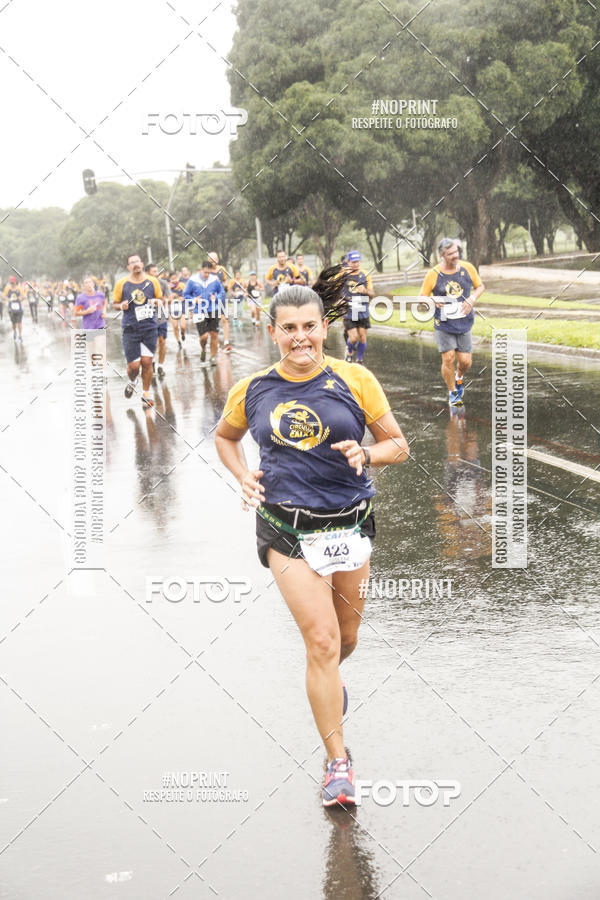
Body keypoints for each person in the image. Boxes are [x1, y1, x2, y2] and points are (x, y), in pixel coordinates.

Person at [214, 274, 409, 807]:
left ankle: (328, 686)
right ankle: (338, 764)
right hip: (287, 530)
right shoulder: (252, 389)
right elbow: (225, 438)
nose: (299, 337)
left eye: (308, 326)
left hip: (350, 525)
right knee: (321, 642)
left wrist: (366, 453)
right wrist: (242, 475)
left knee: (346, 638)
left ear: (325, 327)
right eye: (288, 328)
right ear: (273, 331)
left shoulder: (355, 379)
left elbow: (398, 444)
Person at [418, 238, 485, 407]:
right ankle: (453, 392)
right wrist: (432, 300)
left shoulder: (467, 268)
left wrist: (472, 299)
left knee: (465, 362)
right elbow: (421, 297)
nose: (455, 255)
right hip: (444, 323)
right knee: (448, 358)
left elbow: (480, 286)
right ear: (442, 255)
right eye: (450, 254)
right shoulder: (433, 273)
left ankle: (459, 377)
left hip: (464, 321)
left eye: (456, 252)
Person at [113, 254, 162, 407]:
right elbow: (114, 303)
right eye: (132, 263)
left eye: (137, 262)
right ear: (128, 267)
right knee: (134, 366)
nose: (135, 264)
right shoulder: (122, 284)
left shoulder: (152, 281)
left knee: (147, 362)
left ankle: (146, 394)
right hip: (130, 328)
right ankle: (133, 381)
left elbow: (161, 299)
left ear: (142, 264)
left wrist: (157, 302)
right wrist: (121, 306)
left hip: (149, 327)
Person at [183, 260, 226, 365]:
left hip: (213, 309)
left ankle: (212, 357)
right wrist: (194, 300)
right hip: (199, 311)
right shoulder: (193, 280)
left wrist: (216, 298)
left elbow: (222, 292)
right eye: (205, 272)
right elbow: (185, 294)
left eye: (209, 272)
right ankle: (203, 349)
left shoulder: (214, 279)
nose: (207, 274)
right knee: (204, 337)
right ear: (201, 270)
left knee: (214, 334)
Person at [343, 251, 374, 365]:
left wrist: (365, 291)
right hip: (349, 310)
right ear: (348, 262)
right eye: (353, 262)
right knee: (353, 338)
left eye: (357, 262)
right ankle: (349, 352)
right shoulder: (342, 276)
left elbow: (372, 293)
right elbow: (335, 292)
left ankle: (359, 360)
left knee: (362, 337)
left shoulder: (365, 274)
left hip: (362, 309)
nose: (356, 264)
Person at [146, 264, 171, 378]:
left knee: (162, 341)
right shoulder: (143, 285)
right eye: (153, 272)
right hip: (147, 316)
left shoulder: (163, 283)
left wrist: (164, 301)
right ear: (147, 273)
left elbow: (169, 298)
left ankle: (160, 366)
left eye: (157, 271)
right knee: (151, 342)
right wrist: (151, 302)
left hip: (161, 315)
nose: (156, 273)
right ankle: (152, 362)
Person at [208, 251, 232, 353]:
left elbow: (225, 281)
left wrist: (226, 285)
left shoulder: (222, 269)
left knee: (224, 319)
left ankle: (226, 342)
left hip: (221, 298)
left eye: (214, 259)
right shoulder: (207, 271)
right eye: (210, 260)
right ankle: (216, 342)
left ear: (217, 260)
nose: (212, 261)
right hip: (210, 299)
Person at [168, 271, 187, 347]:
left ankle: (183, 333)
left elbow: (187, 294)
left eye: (175, 278)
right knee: (175, 326)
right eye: (172, 279)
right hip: (172, 308)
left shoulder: (182, 285)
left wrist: (183, 298)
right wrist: (170, 299)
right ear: (169, 279)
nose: (174, 280)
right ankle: (178, 341)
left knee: (183, 326)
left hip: (182, 307)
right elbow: (165, 298)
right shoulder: (168, 287)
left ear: (178, 278)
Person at [3, 276, 24, 340]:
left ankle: (20, 335)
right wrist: (8, 299)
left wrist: (21, 298)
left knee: (19, 322)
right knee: (13, 323)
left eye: (13, 282)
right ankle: (15, 331)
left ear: (15, 282)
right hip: (11, 308)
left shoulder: (19, 288)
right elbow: (4, 296)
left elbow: (23, 296)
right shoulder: (7, 288)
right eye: (11, 283)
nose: (12, 284)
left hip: (19, 308)